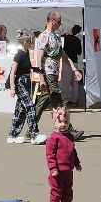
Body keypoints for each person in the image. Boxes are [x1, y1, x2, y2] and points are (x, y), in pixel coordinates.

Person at [30, 10, 66, 140]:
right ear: (52, 20)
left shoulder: (56, 36)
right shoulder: (43, 37)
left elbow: (62, 54)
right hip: (47, 72)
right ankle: (67, 127)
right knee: (57, 98)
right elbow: (38, 59)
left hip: (55, 72)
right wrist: (41, 79)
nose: (60, 24)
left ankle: (31, 127)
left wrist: (73, 67)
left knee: (43, 101)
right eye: (59, 21)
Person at [44, 99, 80, 202]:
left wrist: (77, 163)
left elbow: (72, 151)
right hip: (57, 171)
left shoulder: (69, 136)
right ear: (54, 123)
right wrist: (53, 168)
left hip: (68, 170)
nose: (63, 125)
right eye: (60, 122)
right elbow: (50, 154)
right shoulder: (53, 138)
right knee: (56, 190)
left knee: (68, 190)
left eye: (66, 122)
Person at [7, 32, 39, 144]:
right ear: (24, 42)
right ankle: (34, 134)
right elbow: (12, 73)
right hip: (20, 82)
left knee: (20, 110)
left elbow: (31, 69)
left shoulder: (26, 54)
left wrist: (40, 71)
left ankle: (13, 135)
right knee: (30, 106)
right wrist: (12, 88)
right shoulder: (19, 55)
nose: (31, 43)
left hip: (26, 82)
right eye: (29, 41)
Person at [62, 23, 85, 110]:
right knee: (75, 83)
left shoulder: (65, 38)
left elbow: (61, 49)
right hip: (75, 62)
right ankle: (74, 100)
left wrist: (65, 34)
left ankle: (65, 100)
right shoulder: (78, 40)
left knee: (66, 83)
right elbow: (79, 52)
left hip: (66, 62)